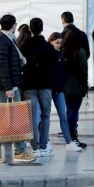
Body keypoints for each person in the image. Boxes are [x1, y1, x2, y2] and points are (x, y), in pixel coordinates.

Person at [0, 14, 37, 163]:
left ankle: (20, 151)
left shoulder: (8, 40)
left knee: (17, 118)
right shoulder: (2, 41)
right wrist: (8, 87)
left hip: (10, 86)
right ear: (13, 25)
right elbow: (2, 66)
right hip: (1, 88)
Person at [21, 18, 55, 156]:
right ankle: (43, 144)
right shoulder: (48, 47)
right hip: (45, 84)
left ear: (30, 29)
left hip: (29, 84)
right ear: (42, 29)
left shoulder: (24, 46)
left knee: (33, 116)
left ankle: (35, 147)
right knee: (46, 115)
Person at [62, 29, 89, 148]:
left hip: (63, 85)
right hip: (76, 85)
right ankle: (72, 137)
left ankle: (69, 137)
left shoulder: (62, 51)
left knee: (68, 111)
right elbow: (83, 69)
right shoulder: (80, 52)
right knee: (73, 111)